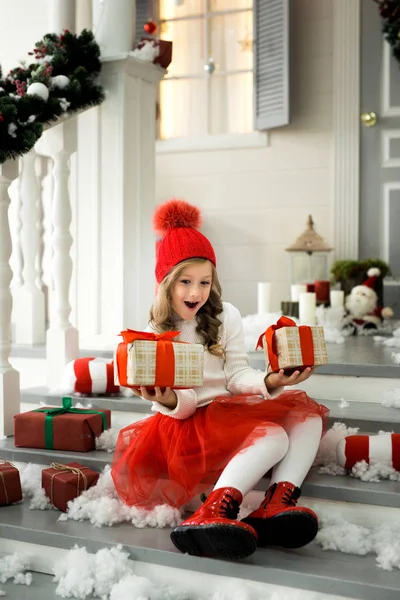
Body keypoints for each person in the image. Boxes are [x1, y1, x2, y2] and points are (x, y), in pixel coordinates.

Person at [111, 199, 329, 560]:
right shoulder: (156, 331)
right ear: (165, 283)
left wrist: (272, 380)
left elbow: (237, 374)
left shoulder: (227, 316)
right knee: (273, 436)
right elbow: (181, 404)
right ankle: (213, 510)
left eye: (204, 282)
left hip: (226, 411)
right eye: (185, 282)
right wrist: (165, 400)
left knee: (305, 417)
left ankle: (276, 504)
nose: (196, 293)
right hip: (184, 425)